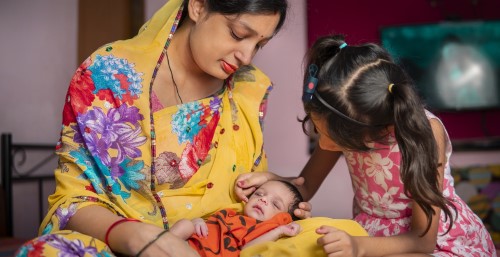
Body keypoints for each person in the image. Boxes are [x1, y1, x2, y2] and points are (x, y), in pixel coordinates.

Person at [14, 1, 318, 257]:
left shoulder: (247, 90)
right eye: (239, 34)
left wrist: (272, 187)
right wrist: (135, 237)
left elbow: (243, 204)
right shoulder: (109, 74)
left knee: (330, 237)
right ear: (198, 6)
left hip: (213, 246)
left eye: (259, 45)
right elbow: (72, 202)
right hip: (116, 241)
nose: (247, 56)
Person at [236, 34, 497, 256]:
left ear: (373, 133)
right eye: (317, 130)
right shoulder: (345, 120)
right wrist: (275, 183)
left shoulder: (426, 134)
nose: (324, 144)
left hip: (429, 243)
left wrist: (358, 246)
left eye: (330, 137)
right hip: (367, 235)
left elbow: (423, 240)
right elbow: (306, 185)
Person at [168, 180, 303, 257]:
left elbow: (248, 250)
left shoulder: (265, 231)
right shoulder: (231, 214)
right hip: (185, 245)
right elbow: (209, 224)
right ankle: (157, 242)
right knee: (186, 224)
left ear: (283, 218)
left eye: (275, 204)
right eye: (259, 194)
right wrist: (197, 222)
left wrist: (279, 230)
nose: (263, 199)